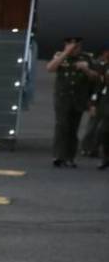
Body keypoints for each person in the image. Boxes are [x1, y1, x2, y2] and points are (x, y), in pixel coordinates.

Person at [46, 37, 98, 167]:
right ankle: (58, 156)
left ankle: (70, 157)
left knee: (73, 128)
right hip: (63, 98)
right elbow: (50, 68)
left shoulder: (87, 58)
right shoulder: (60, 56)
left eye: (76, 47)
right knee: (61, 126)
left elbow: (95, 77)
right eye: (71, 46)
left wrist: (86, 69)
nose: (74, 50)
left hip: (78, 98)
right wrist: (65, 53)